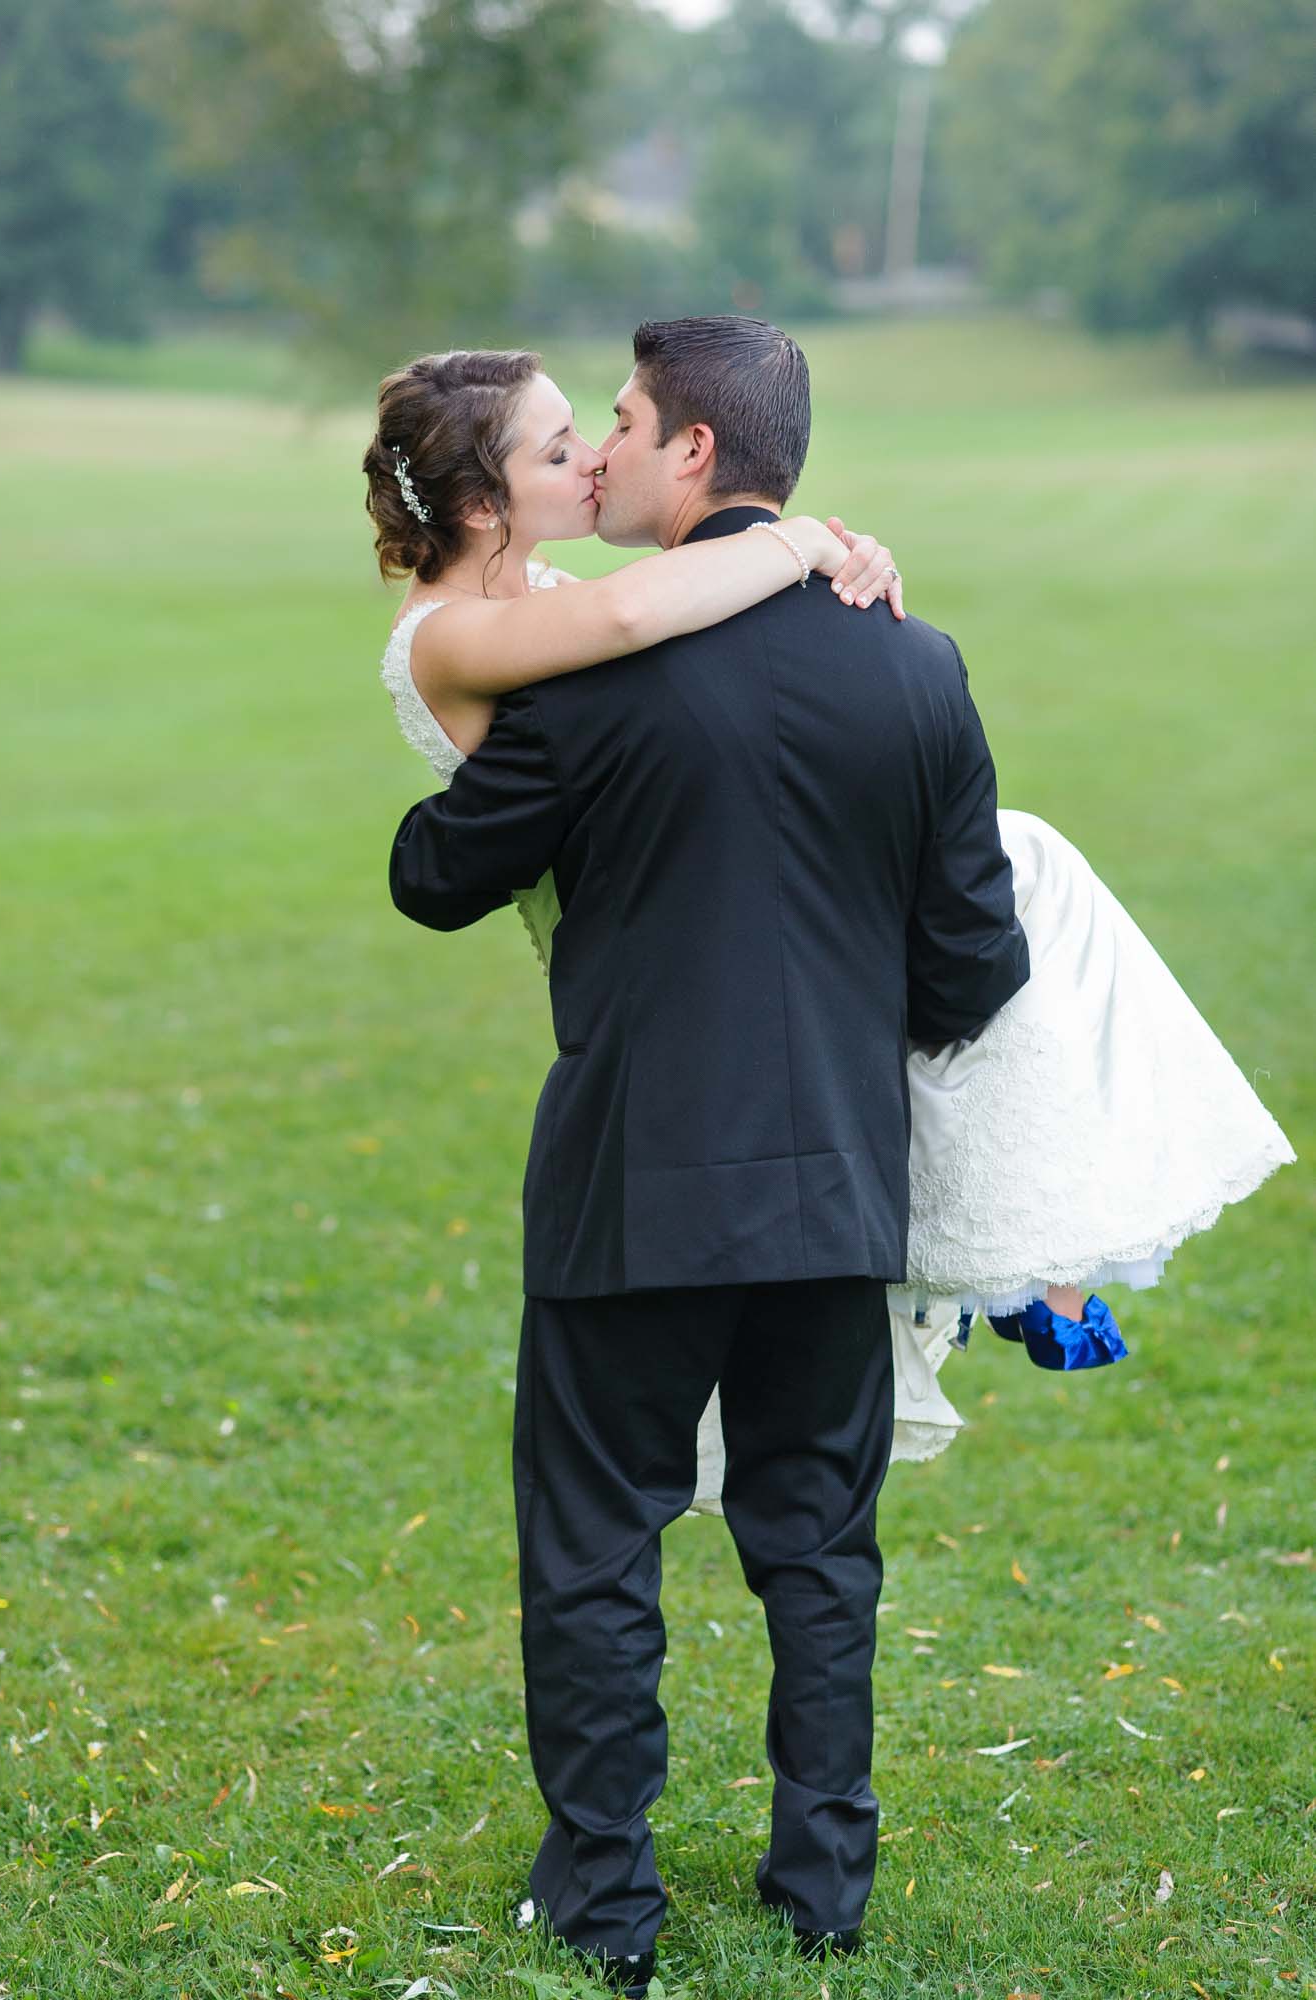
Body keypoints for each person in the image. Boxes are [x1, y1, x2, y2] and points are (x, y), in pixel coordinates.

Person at [373, 319, 1295, 1994]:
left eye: (628, 420)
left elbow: (443, 876)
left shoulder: (583, 674)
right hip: (839, 1183)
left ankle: (606, 1901)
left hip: (633, 1180)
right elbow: (973, 962)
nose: (605, 452)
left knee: (595, 1542)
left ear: (698, 457)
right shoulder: (916, 663)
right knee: (818, 1544)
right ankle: (825, 1887)